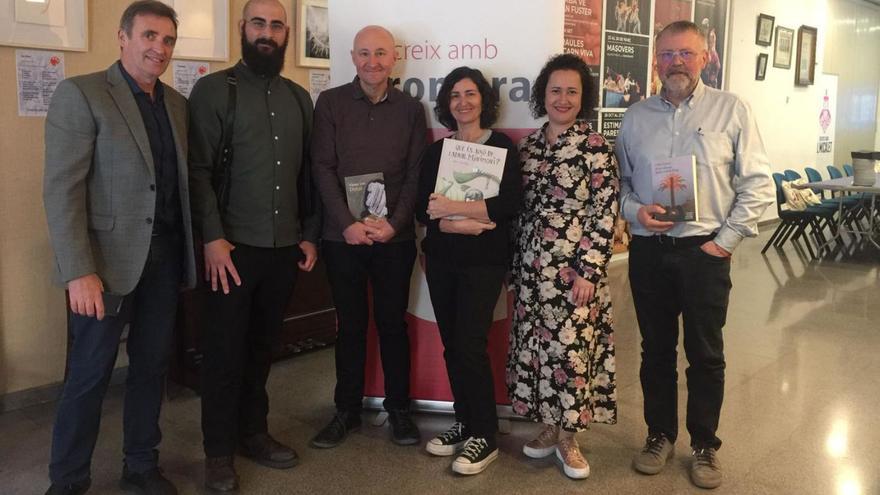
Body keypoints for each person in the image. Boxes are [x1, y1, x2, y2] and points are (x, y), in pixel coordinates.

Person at [42, 2, 196, 494]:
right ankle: (67, 479)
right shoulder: (82, 93)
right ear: (123, 37)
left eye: (168, 40)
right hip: (104, 269)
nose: (160, 48)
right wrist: (77, 270)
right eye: (150, 36)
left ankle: (141, 465)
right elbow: (62, 189)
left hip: (164, 263)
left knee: (151, 369)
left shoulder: (174, 104)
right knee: (88, 376)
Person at [616, 21, 774, 489]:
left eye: (686, 53)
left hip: (704, 251)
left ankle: (704, 444)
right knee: (655, 351)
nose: (676, 63)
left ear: (706, 57)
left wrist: (723, 242)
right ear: (656, 61)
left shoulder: (732, 110)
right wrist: (635, 212)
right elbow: (621, 186)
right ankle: (659, 434)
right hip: (649, 250)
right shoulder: (636, 116)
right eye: (666, 54)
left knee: (705, 353)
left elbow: (758, 185)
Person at [187, 0, 321, 491]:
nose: (267, 33)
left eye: (276, 25)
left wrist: (309, 233)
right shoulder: (212, 91)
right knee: (224, 353)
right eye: (258, 23)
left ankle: (253, 434)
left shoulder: (298, 97)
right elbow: (197, 171)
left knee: (264, 349)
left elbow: (309, 172)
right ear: (243, 29)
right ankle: (218, 452)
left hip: (284, 248)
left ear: (287, 34)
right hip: (231, 250)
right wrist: (212, 237)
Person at [309, 25, 427, 449]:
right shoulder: (331, 103)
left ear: (393, 57)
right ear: (352, 56)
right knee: (351, 326)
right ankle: (346, 411)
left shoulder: (411, 109)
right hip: (343, 239)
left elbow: (416, 173)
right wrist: (346, 223)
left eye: (380, 53)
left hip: (392, 240)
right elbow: (322, 167)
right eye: (364, 53)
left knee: (392, 325)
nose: (372, 61)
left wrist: (394, 224)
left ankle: (398, 410)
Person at [507, 53, 619, 480]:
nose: (563, 98)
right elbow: (518, 211)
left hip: (574, 272)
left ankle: (570, 437)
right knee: (538, 352)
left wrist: (589, 270)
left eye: (572, 91)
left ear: (583, 97)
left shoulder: (596, 148)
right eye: (556, 90)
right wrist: (515, 267)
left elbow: (605, 212)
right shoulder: (530, 146)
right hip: (533, 270)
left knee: (571, 353)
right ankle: (549, 426)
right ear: (543, 94)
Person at [415, 67, 522, 475]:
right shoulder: (437, 152)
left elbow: (507, 204)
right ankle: (464, 420)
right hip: (442, 260)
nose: (463, 102)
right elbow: (427, 211)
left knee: (471, 345)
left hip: (484, 264)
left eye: (471, 94)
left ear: (484, 100)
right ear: (447, 104)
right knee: (451, 344)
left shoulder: (502, 148)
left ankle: (485, 434)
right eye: (455, 95)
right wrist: (466, 221)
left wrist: (453, 211)